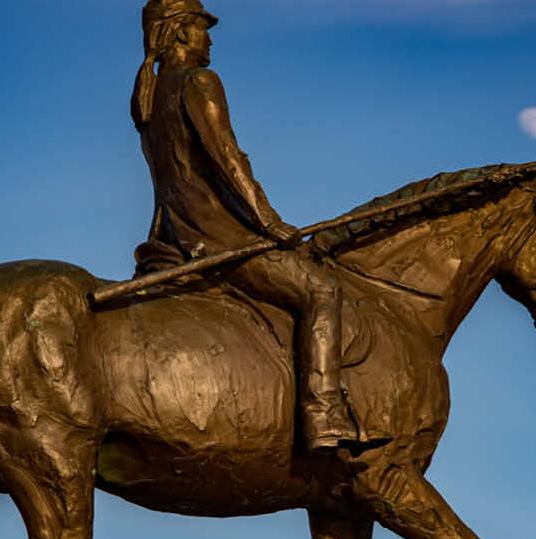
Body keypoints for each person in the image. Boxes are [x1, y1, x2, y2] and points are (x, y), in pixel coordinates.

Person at [130, 0, 362, 451]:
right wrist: (269, 223)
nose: (209, 38)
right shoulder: (199, 82)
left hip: (173, 237)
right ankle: (323, 413)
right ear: (180, 32)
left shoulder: (148, 96)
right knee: (322, 291)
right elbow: (227, 160)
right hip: (218, 238)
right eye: (202, 28)